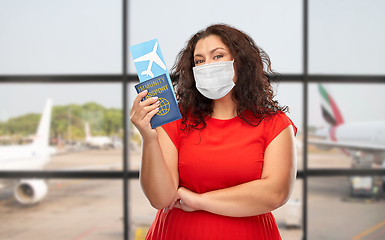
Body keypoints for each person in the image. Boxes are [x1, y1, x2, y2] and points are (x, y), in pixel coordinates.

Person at [130, 23, 297, 240]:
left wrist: (197, 201)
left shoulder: (275, 124)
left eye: (217, 56)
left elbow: (276, 193)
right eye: (199, 61)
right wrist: (149, 138)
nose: (207, 65)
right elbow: (161, 199)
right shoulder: (176, 120)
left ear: (241, 62)